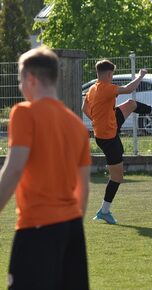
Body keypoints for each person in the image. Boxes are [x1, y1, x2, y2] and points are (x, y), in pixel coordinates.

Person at [0, 46, 91, 289]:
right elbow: (83, 189)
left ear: (30, 78)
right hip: (72, 228)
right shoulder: (77, 125)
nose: (20, 87)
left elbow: (14, 168)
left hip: (37, 228)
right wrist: (68, 227)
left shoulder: (24, 113)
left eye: (20, 80)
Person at [82, 59, 152, 224]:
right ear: (108, 74)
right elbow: (128, 88)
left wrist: (97, 120)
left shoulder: (92, 88)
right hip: (108, 137)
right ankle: (104, 211)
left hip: (107, 127)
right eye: (112, 74)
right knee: (117, 177)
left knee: (130, 104)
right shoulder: (106, 88)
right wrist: (141, 75)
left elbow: (84, 109)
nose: (112, 77)